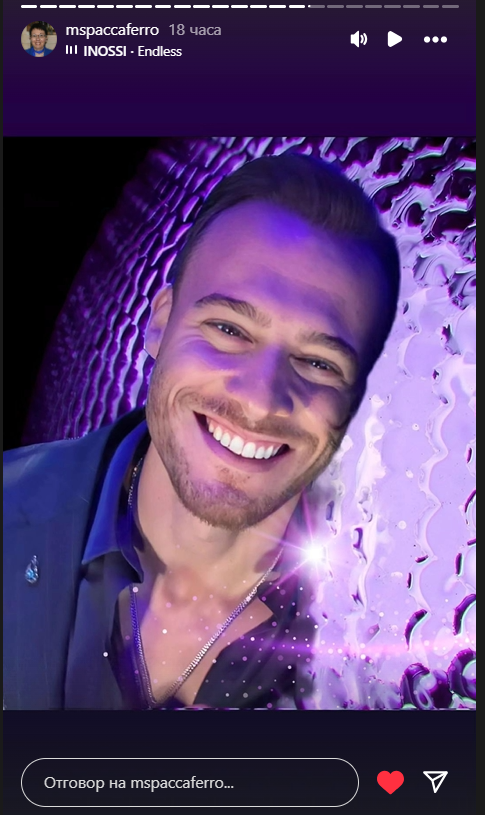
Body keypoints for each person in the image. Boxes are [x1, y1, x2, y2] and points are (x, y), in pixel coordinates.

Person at [3, 154, 400, 710]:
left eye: (318, 363)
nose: (260, 399)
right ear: (159, 323)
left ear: (353, 400)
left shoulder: (383, 661)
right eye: (229, 329)